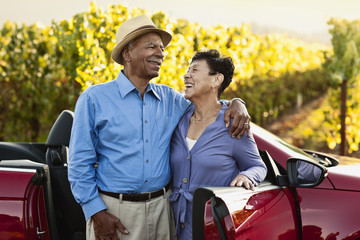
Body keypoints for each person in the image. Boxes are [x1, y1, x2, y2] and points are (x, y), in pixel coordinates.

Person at [68, 15, 251, 240]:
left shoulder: (171, 100)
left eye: (162, 48)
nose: (161, 53)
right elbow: (79, 164)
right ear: (127, 54)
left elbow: (207, 105)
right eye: (151, 46)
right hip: (115, 212)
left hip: (163, 211)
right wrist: (96, 212)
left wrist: (235, 103)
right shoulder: (94, 99)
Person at [169, 49, 267, 239]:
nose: (186, 75)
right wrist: (237, 101)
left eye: (195, 70)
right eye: (188, 70)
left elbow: (257, 165)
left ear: (216, 80)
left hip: (209, 228)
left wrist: (247, 176)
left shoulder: (232, 124)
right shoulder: (178, 117)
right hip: (172, 227)